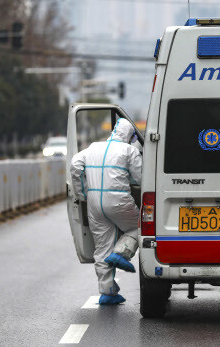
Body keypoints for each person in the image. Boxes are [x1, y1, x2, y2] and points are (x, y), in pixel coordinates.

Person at [70, 118, 142, 305]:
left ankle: (107, 293)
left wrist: (82, 193)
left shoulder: (93, 148)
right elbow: (142, 177)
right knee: (140, 227)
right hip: (119, 201)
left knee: (102, 247)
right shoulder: (129, 150)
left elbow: (75, 164)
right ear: (129, 135)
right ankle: (121, 253)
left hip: (94, 204)